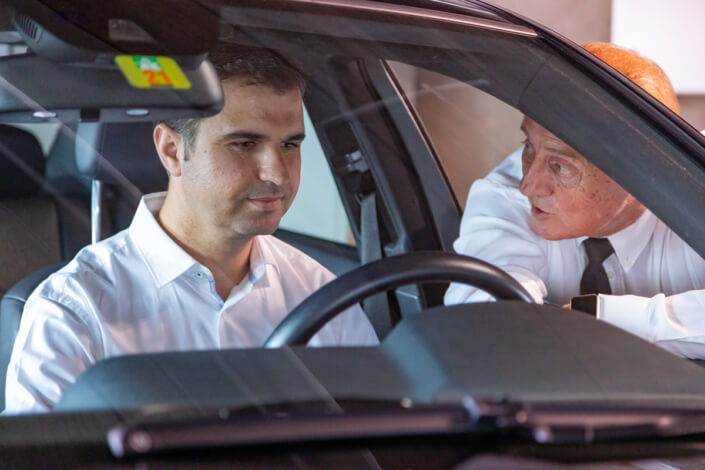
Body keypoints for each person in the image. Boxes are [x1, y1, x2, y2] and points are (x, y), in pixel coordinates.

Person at [4, 45, 377, 414]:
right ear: (170, 150)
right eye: (244, 144)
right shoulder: (75, 311)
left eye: (290, 144)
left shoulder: (324, 296)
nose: (277, 173)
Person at [445, 42, 705, 359]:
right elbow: (487, 329)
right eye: (529, 146)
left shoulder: (696, 182)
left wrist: (592, 317)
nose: (528, 185)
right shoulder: (505, 196)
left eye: (560, 166)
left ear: (644, 171)